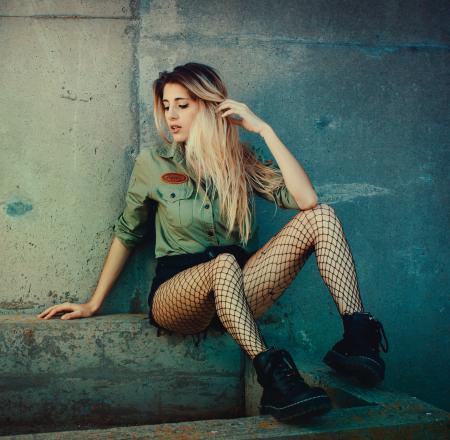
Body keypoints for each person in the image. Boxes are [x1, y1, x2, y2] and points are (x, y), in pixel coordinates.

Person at [37, 62, 389, 421]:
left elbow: (306, 200)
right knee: (222, 264)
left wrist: (265, 130)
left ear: (208, 107)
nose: (171, 115)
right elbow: (128, 231)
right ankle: (274, 378)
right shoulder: (153, 163)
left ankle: (359, 339)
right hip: (178, 296)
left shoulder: (241, 159)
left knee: (322, 215)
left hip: (239, 291)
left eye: (183, 105)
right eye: (166, 105)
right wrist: (94, 303)